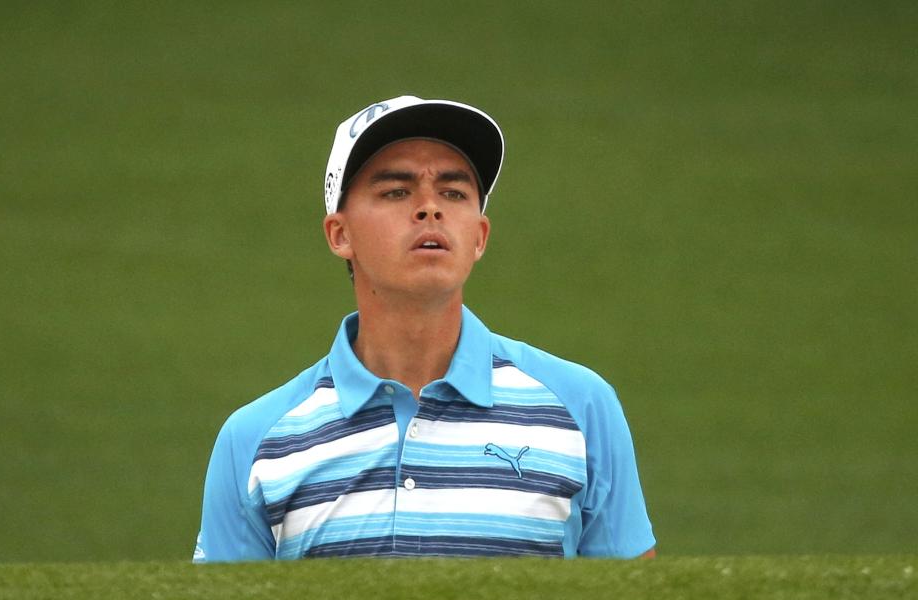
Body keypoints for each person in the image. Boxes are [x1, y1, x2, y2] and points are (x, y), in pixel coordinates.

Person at [194, 95, 656, 561]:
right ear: (340, 235)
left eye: (454, 193)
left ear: (479, 237)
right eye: (396, 191)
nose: (429, 208)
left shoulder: (583, 406)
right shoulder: (254, 440)